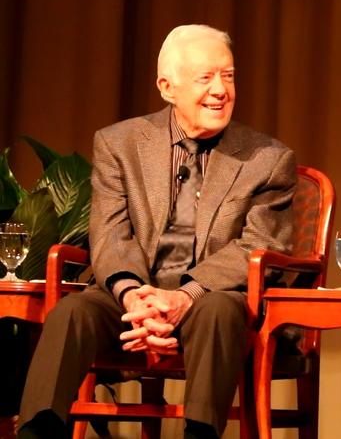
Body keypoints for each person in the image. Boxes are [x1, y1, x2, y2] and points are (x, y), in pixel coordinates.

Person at [17, 24, 297, 439]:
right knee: (72, 312)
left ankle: (199, 432)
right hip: (132, 296)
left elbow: (259, 245)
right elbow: (110, 233)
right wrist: (134, 297)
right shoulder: (119, 143)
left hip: (209, 298)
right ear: (167, 87)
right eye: (206, 77)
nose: (221, 90)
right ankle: (37, 431)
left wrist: (185, 295)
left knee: (219, 311)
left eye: (229, 76)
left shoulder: (267, 159)